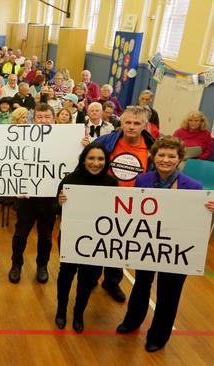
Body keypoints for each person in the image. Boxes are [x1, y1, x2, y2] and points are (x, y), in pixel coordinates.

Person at [116, 137, 214, 352]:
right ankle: (132, 321)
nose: (166, 160)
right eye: (161, 155)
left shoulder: (195, 187)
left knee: (169, 293)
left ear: (180, 159)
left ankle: (158, 336)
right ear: (153, 156)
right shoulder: (142, 181)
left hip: (177, 248)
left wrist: (210, 209)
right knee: (141, 284)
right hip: (147, 243)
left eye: (172, 156)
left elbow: (197, 219)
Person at [55, 142, 119, 333]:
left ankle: (78, 313)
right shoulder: (70, 180)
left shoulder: (112, 183)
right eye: (91, 158)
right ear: (83, 160)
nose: (96, 163)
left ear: (106, 161)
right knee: (66, 274)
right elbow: (55, 209)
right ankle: (61, 310)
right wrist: (59, 203)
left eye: (100, 159)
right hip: (70, 236)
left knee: (87, 277)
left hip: (96, 238)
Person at [95, 106, 155, 302]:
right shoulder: (105, 141)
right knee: (98, 241)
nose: (131, 127)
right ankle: (92, 278)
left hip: (134, 203)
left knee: (119, 245)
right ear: (121, 123)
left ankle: (112, 281)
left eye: (137, 123)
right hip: (105, 199)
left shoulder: (152, 148)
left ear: (145, 125)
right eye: (128, 122)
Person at [8, 104, 58, 285]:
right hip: (26, 196)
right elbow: (11, 164)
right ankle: (16, 264)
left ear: (54, 120)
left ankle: (42, 266)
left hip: (50, 199)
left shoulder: (65, 140)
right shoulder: (21, 139)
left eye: (47, 117)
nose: (43, 120)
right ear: (33, 120)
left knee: (45, 236)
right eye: (40, 117)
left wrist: (82, 147)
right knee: (20, 234)